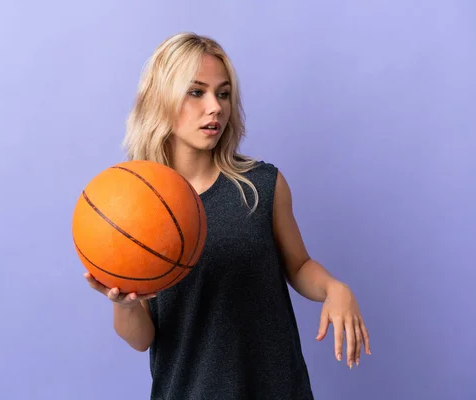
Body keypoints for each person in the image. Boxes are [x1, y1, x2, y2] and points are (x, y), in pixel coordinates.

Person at [83, 32, 371, 399]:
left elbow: (298, 266)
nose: (215, 107)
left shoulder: (262, 185)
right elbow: (141, 339)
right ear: (161, 99)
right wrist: (122, 304)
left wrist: (335, 288)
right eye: (196, 92)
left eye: (222, 93)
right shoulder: (135, 203)